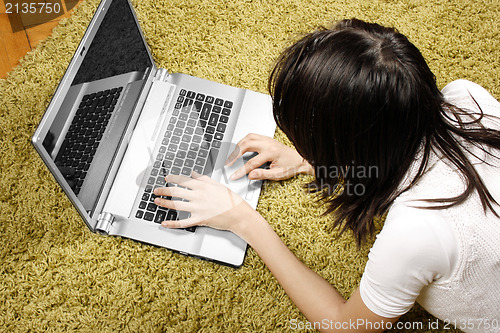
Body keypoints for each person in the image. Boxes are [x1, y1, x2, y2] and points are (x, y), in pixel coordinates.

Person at [152, 19, 500, 332]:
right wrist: (313, 161)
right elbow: (394, 139)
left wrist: (244, 221)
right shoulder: (467, 97)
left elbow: (346, 326)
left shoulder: (416, 233)